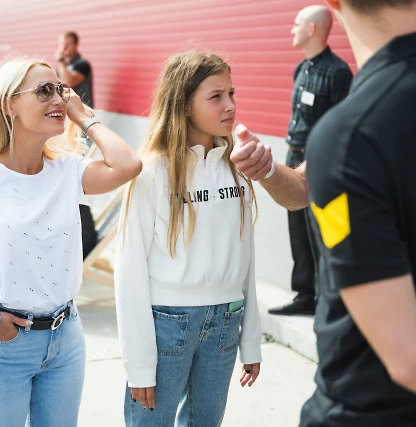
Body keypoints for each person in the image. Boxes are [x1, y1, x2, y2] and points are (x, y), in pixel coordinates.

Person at [231, 0, 416, 424]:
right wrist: (268, 169)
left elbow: (406, 358)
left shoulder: (350, 135)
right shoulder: (351, 135)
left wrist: (332, 153)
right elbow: (308, 189)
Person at [0, 57, 141, 427]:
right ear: (9, 105)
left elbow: (128, 165)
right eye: (44, 91)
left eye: (61, 90)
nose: (58, 99)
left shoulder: (68, 170)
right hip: (2, 344)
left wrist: (84, 117)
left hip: (65, 337)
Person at [114, 51, 262, 427]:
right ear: (183, 104)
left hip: (227, 320)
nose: (230, 105)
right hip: (167, 324)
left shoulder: (238, 170)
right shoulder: (151, 172)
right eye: (216, 96)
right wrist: (138, 364)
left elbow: (246, 259)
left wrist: (251, 340)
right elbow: (129, 269)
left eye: (232, 93)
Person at [269, 5, 353, 316]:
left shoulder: (338, 72)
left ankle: (329, 300)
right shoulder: (301, 69)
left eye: (296, 24)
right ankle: (304, 296)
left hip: (319, 161)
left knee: (324, 231)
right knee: (298, 230)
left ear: (312, 29)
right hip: (294, 155)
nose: (292, 29)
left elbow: (341, 124)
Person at [55, 31, 98, 259]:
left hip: (83, 123)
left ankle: (84, 232)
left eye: (67, 45)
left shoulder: (81, 64)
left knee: (80, 175)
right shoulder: (64, 64)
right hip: (67, 124)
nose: (64, 48)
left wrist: (61, 62)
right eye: (62, 44)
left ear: (75, 45)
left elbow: (67, 83)